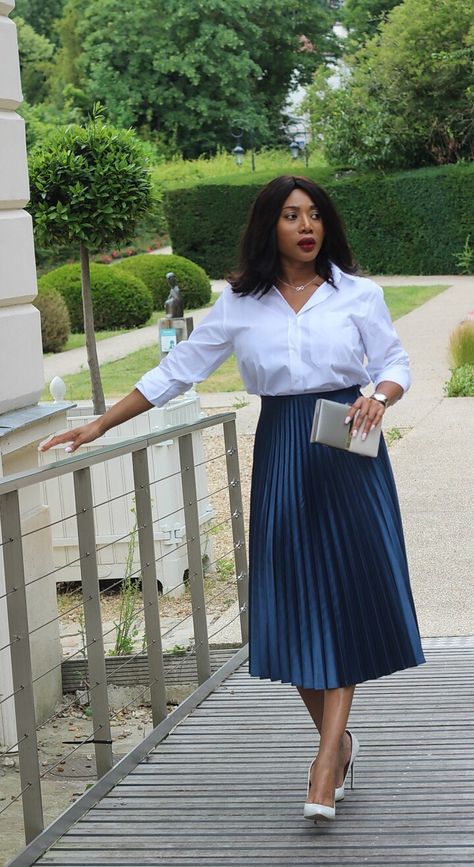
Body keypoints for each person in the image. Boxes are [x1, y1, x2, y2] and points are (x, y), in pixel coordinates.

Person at [40, 175, 426, 824]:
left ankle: (326, 760)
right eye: (290, 215)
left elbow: (397, 362)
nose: (306, 226)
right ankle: (341, 745)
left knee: (343, 595)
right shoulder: (241, 305)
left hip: (347, 450)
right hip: (281, 453)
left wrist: (379, 395)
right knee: (294, 601)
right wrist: (100, 422)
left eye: (314, 215)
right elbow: (176, 369)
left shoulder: (358, 294)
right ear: (268, 227)